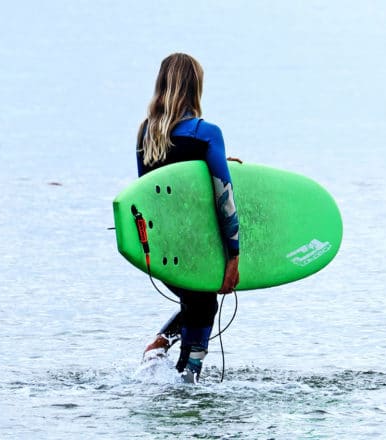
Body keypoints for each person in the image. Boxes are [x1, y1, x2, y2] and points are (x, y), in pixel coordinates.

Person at [136, 53, 240, 383]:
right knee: (204, 306)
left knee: (197, 304)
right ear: (196, 87)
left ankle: (161, 345)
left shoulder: (145, 134)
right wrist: (234, 253)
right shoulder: (205, 133)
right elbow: (225, 199)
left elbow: (150, 192)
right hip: (197, 246)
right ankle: (187, 385)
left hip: (161, 249)